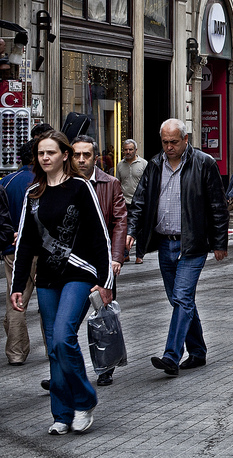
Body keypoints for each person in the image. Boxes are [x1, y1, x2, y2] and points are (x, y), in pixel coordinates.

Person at [10, 131, 112, 435]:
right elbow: (25, 245)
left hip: (80, 276)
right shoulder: (33, 193)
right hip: (48, 280)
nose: (45, 158)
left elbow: (99, 235)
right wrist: (17, 286)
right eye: (41, 154)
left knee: (62, 338)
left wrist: (106, 280)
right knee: (54, 349)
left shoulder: (80, 187)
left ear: (64, 155)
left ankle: (84, 400)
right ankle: (61, 414)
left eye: (51, 153)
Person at [126, 119, 228, 377]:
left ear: (185, 140)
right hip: (164, 243)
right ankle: (197, 351)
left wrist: (219, 243)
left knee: (181, 298)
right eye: (164, 142)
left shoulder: (204, 163)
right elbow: (139, 202)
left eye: (173, 142)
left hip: (191, 244)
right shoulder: (154, 165)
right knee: (180, 300)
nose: (169, 147)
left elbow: (218, 205)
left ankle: (171, 355)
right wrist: (130, 232)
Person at [71, 136, 127, 387]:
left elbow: (119, 222)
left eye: (86, 155)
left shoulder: (110, 183)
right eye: (76, 155)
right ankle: (62, 370)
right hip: (70, 263)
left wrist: (116, 258)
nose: (81, 160)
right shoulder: (61, 184)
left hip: (101, 263)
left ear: (96, 157)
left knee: (103, 317)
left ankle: (106, 367)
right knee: (65, 322)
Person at [2, 140, 33, 365]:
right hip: (43, 250)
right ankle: (55, 348)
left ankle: (16, 352)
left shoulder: (6, 181)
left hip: (13, 250)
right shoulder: (44, 182)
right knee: (50, 302)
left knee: (16, 298)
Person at [115, 139, 146, 207]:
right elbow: (117, 184)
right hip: (124, 201)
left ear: (136, 150)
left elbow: (147, 184)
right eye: (126, 150)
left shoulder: (144, 164)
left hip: (139, 201)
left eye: (130, 149)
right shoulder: (120, 165)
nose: (128, 152)